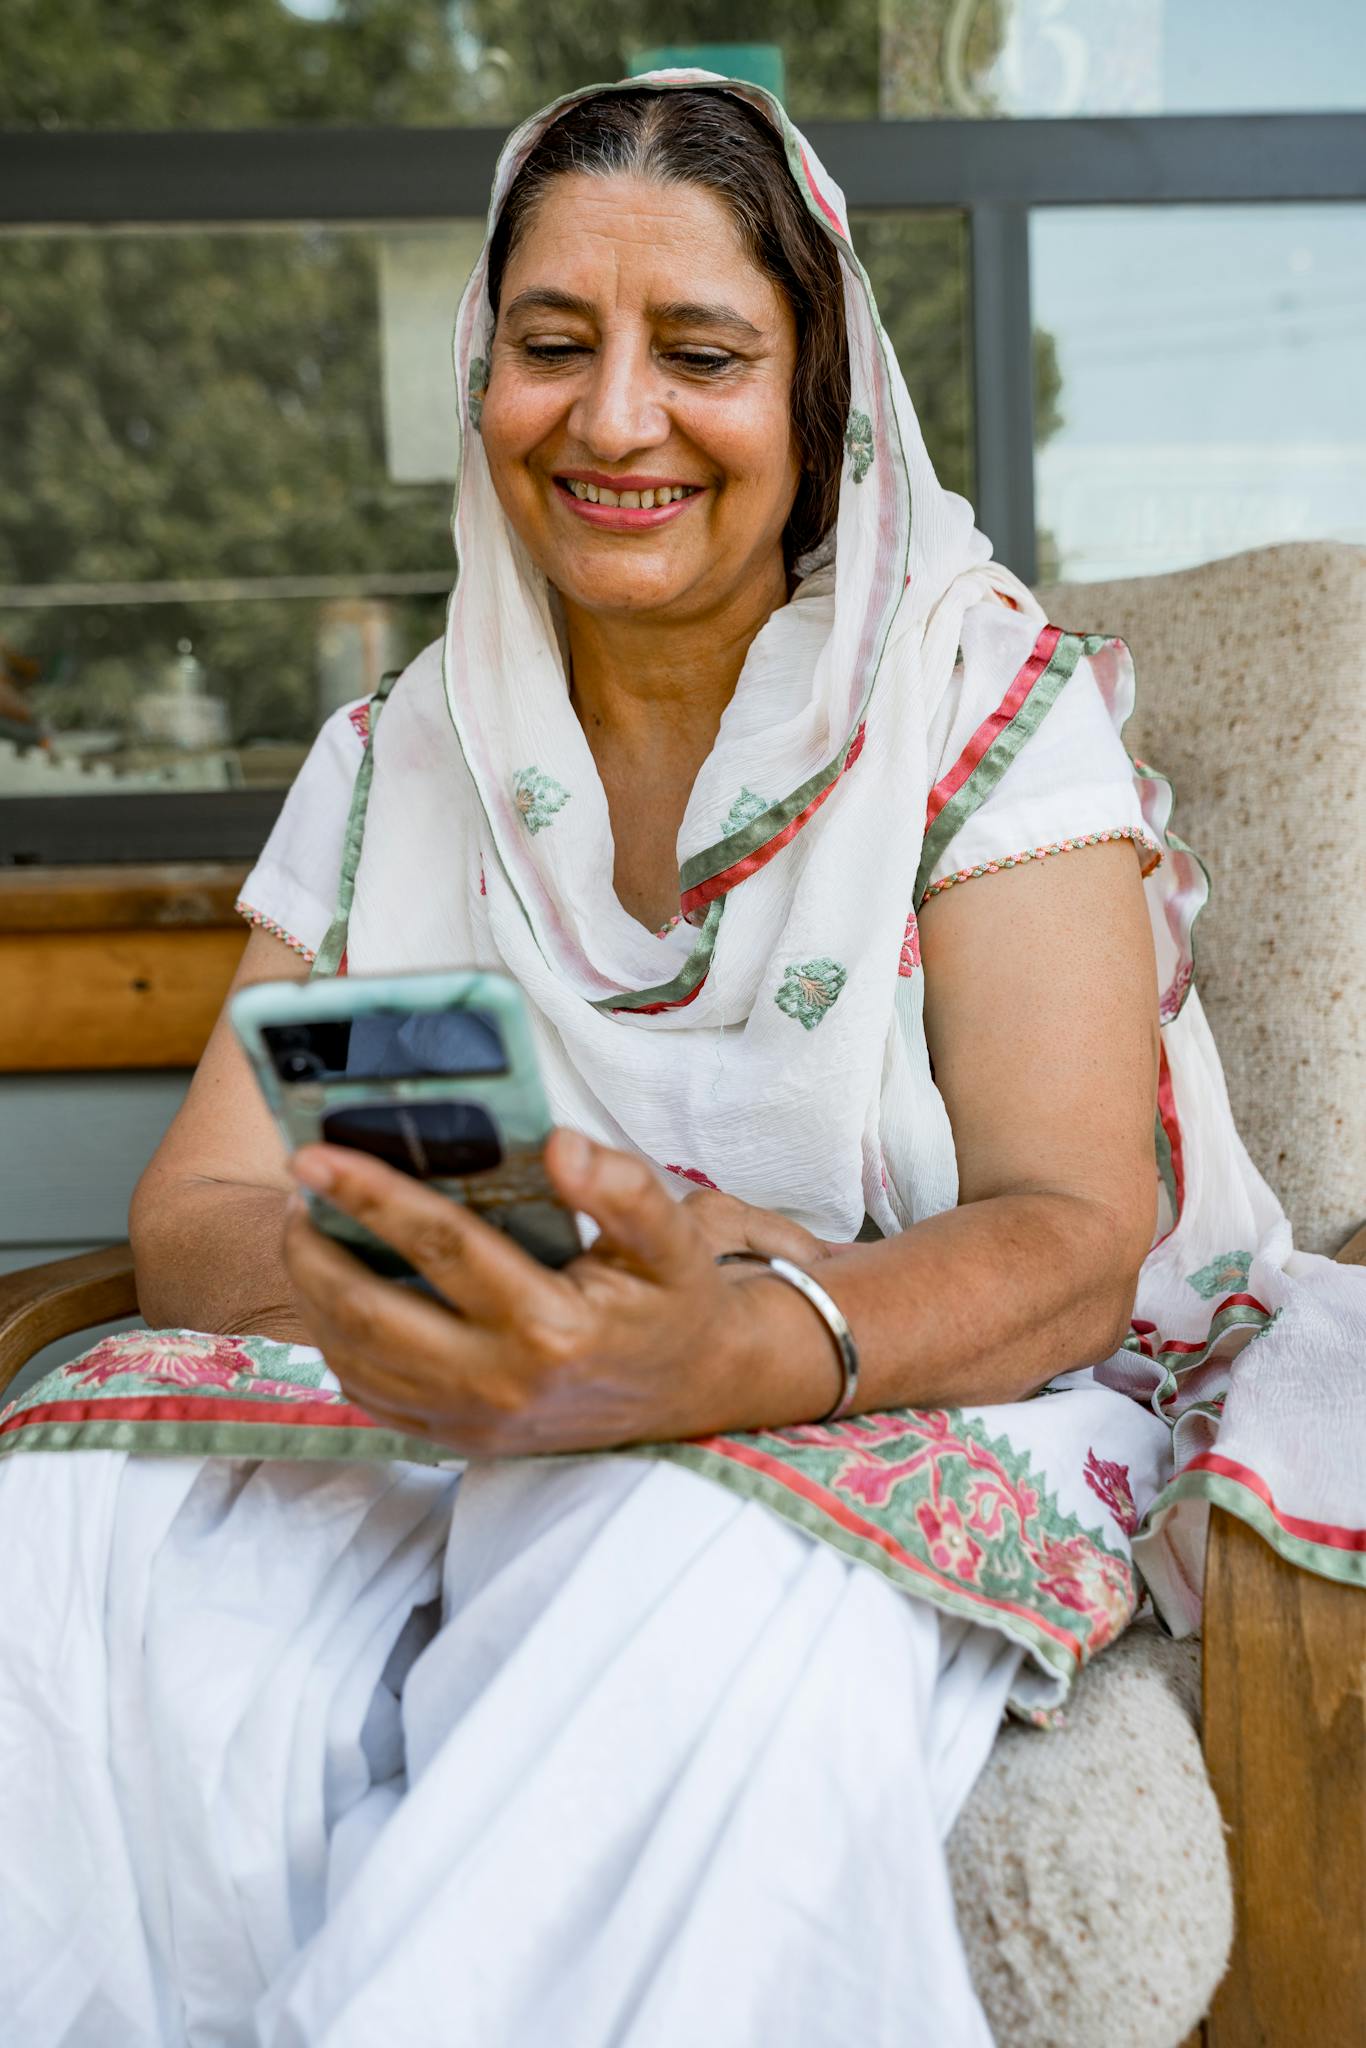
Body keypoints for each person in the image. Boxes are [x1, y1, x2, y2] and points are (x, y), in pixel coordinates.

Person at [1, 73, 1361, 2048]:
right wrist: (488, 1307)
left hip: (908, 1371)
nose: (612, 417)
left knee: (666, 1547)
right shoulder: (415, 757)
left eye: (699, 351)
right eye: (551, 344)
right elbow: (201, 1213)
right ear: (484, 375)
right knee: (70, 1531)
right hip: (464, 1390)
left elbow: (1072, 1229)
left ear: (814, 399)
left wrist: (722, 1345)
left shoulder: (971, 701)